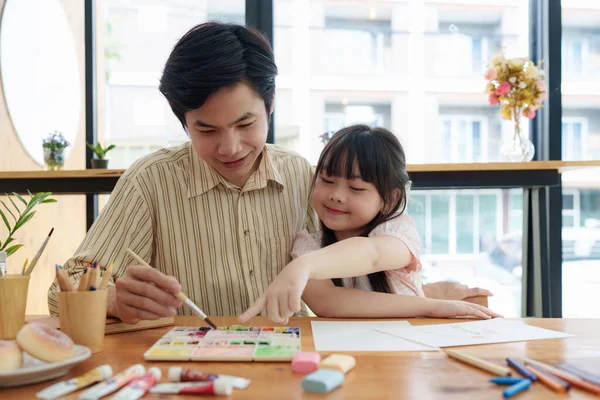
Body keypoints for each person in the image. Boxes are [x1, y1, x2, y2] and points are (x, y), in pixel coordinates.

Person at [48, 22, 490, 324]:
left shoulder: (306, 180)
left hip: (293, 363)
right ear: (183, 121)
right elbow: (60, 294)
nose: (230, 147)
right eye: (206, 129)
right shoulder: (151, 181)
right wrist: (110, 300)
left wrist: (432, 294)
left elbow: (366, 261)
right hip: (194, 366)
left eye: (245, 124)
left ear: (271, 105)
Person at [239, 125, 501, 324]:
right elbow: (328, 303)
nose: (337, 195)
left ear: (390, 199)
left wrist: (303, 267)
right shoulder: (309, 245)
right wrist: (303, 264)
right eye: (327, 180)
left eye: (355, 187)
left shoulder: (397, 231)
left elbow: (372, 255)